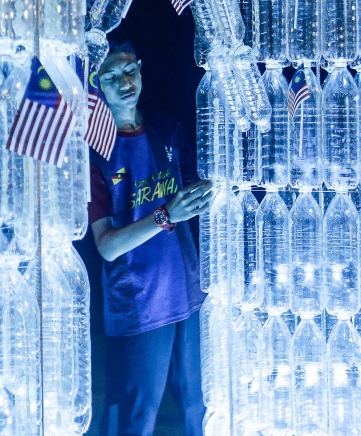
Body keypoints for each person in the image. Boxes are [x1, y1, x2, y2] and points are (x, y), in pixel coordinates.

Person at [88, 39, 213, 436]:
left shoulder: (166, 130)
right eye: (110, 77)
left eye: (130, 70)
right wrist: (165, 215)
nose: (125, 82)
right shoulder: (94, 153)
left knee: (199, 411)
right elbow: (107, 247)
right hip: (140, 308)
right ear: (95, 85)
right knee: (136, 420)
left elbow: (197, 195)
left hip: (189, 295)